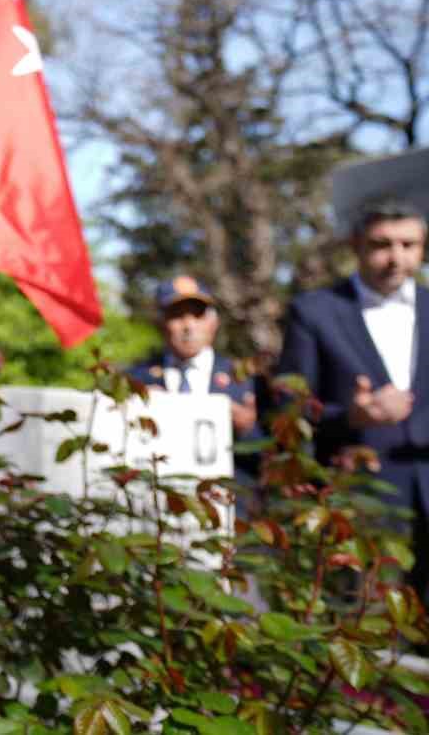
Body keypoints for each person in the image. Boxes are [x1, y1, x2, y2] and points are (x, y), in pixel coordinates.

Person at [276, 196, 428, 591]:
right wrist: (351, 417)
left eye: (408, 245)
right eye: (382, 245)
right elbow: (289, 410)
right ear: (356, 246)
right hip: (360, 499)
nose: (396, 258)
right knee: (371, 632)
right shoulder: (314, 311)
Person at [126, 276, 263, 516]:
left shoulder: (244, 378)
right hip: (156, 513)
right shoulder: (136, 380)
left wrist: (247, 429)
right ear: (161, 323)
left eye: (197, 315)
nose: (188, 326)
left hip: (230, 514)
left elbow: (272, 459)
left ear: (213, 322)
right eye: (178, 316)